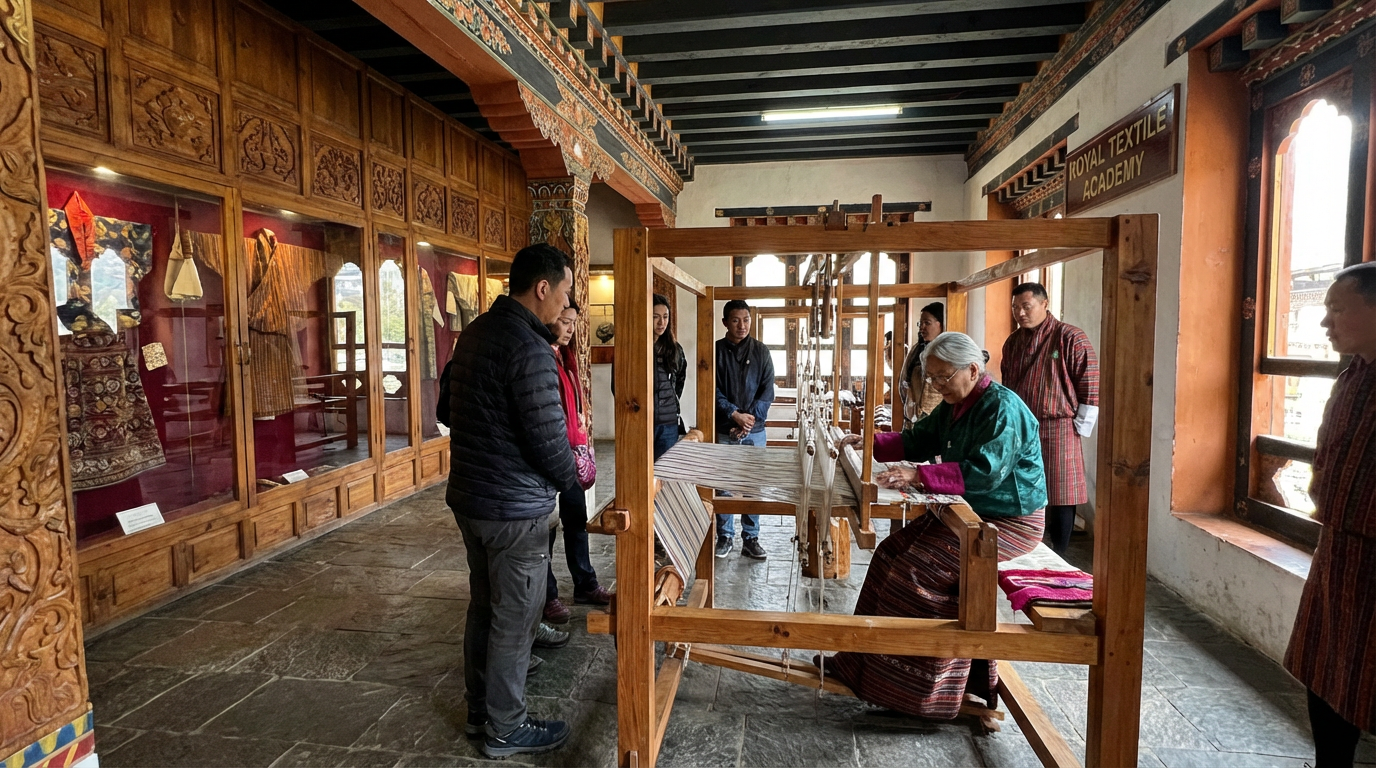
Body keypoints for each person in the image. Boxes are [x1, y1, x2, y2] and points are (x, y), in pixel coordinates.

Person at [829, 332, 1046, 719]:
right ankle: (860, 664)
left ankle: (916, 691)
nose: (935, 385)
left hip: (1009, 520)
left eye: (943, 377)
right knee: (888, 555)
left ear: (973, 370)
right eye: (931, 377)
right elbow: (917, 439)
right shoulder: (956, 405)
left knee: (915, 572)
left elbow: (986, 473)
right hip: (967, 513)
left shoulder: (1002, 409)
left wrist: (917, 476)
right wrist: (866, 444)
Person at [441, 243, 577, 759]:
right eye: (563, 294)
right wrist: (576, 479)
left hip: (472, 498)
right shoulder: (528, 347)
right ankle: (505, 727)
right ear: (541, 288)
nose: (564, 306)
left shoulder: (474, 333)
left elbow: (447, 409)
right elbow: (547, 442)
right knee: (515, 620)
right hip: (514, 510)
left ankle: (480, 714)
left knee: (485, 608)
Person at [1284, 263, 1376, 768]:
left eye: (1337, 309)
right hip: (1338, 549)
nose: (1326, 323)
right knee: (1326, 674)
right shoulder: (1353, 374)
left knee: (1365, 679)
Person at [1000, 282, 1099, 556]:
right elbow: (1007, 386)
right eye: (1015, 308)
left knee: (1062, 492)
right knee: (1025, 487)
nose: (1020, 313)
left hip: (1060, 425)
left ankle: (1061, 552)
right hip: (1022, 426)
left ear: (1045, 304)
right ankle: (1029, 546)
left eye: (1026, 306)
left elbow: (1089, 383)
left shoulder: (1070, 337)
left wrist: (1078, 427)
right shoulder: (1013, 343)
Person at [542, 299, 613, 628]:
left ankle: (585, 584)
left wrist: (580, 421)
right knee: (547, 529)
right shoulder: (541, 355)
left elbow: (569, 402)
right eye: (565, 321)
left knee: (576, 520)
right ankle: (548, 595)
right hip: (547, 456)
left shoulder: (564, 357)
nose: (570, 329)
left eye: (573, 323)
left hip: (569, 453)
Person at [714, 299, 774, 560]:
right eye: (736, 320)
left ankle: (751, 537)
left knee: (753, 486)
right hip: (725, 427)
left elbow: (768, 390)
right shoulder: (715, 351)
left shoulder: (761, 351)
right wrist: (734, 415)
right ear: (725, 322)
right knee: (724, 485)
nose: (742, 325)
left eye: (746, 320)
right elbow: (711, 389)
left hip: (755, 430)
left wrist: (749, 420)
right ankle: (725, 536)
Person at [897, 302, 946, 429]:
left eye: (927, 323)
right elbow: (904, 381)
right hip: (913, 416)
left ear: (940, 324)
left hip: (938, 418)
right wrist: (910, 406)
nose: (922, 328)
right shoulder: (916, 350)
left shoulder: (948, 351)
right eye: (920, 323)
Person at [653, 293, 688, 460]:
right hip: (640, 421)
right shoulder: (633, 347)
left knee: (665, 474)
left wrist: (669, 403)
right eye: (655, 317)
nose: (661, 323)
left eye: (665, 317)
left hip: (668, 423)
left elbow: (679, 380)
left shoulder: (674, 349)